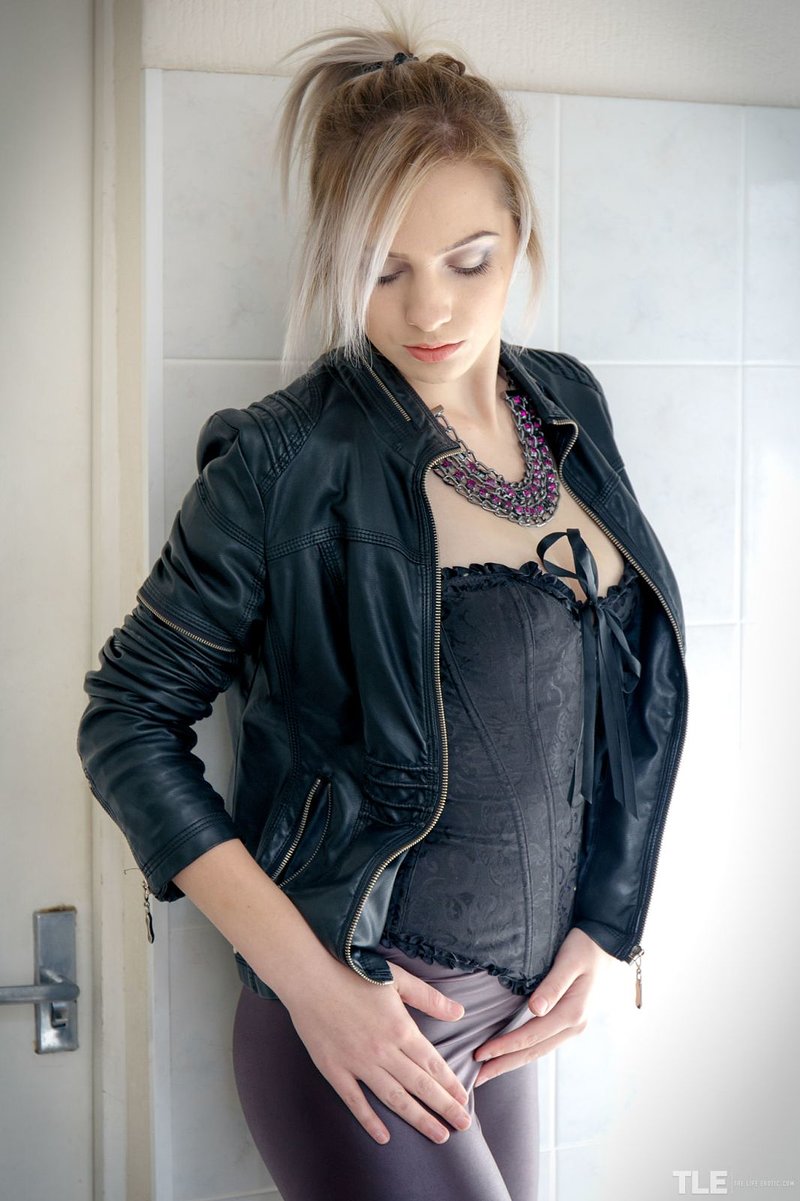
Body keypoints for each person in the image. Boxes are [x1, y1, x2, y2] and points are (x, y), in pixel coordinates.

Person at [77, 11, 688, 1201]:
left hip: (518, 1021)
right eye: (382, 268)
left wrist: (606, 923)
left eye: (469, 259)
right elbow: (125, 724)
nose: (429, 313)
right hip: (363, 1023)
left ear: (520, 235)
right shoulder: (280, 460)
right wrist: (314, 986)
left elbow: (623, 692)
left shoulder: (567, 403)